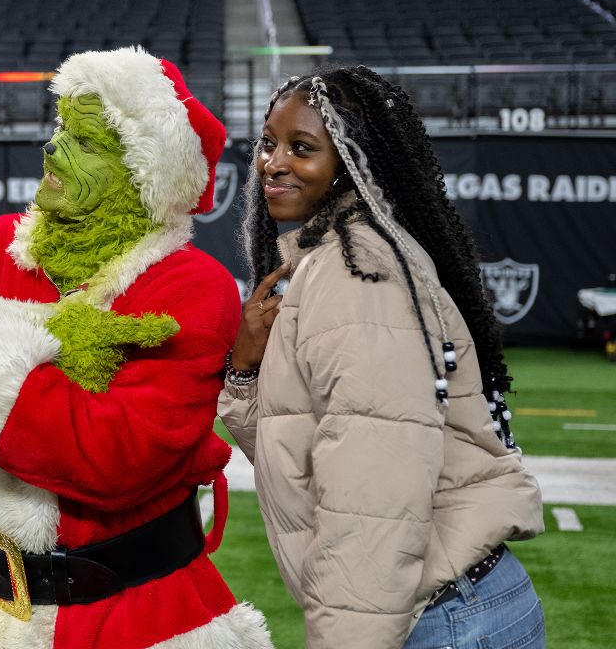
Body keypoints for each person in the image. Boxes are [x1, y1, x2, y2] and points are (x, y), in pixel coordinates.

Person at [0, 48, 272, 647]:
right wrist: (57, 384)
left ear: (143, 176)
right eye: (60, 129)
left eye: (85, 142)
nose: (54, 149)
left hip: (129, 611)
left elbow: (116, 456)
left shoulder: (194, 286)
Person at [217, 66, 544, 648]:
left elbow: (373, 503)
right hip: (446, 606)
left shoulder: (355, 271)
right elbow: (302, 457)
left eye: (302, 148)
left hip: (438, 617)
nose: (273, 162)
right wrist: (244, 373)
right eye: (268, 143)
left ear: (349, 160)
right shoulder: (334, 259)